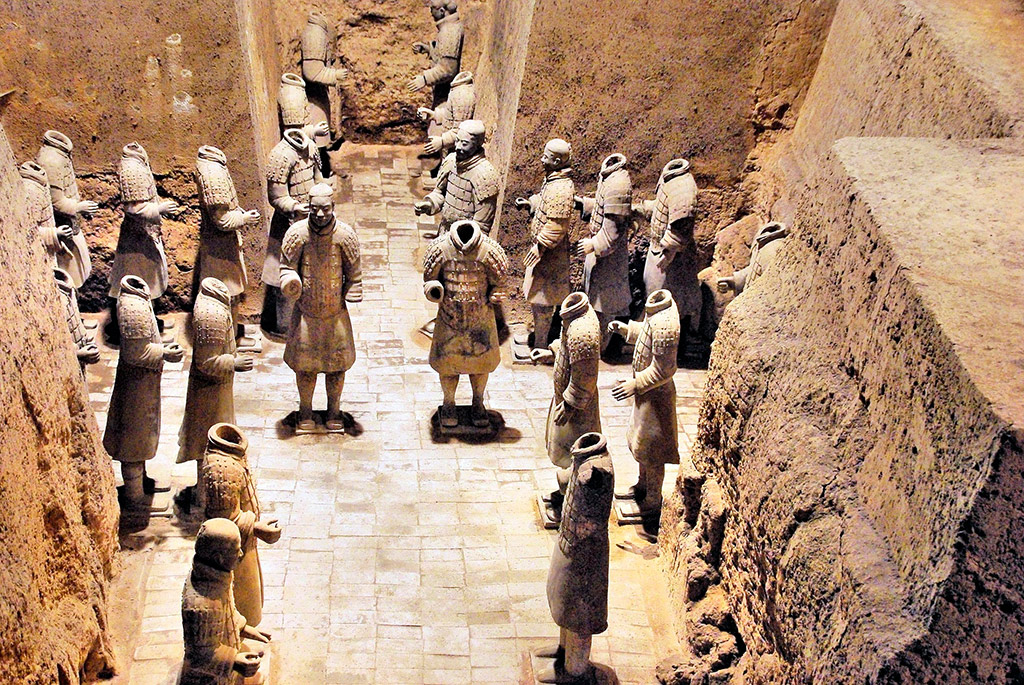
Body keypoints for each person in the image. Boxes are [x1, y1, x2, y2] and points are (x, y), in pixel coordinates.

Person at [280, 183, 362, 433]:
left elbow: (354, 270)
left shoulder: (345, 236)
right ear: (308, 207)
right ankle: (305, 411)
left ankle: (334, 411)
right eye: (314, 208)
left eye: (325, 209)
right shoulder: (297, 234)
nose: (319, 214)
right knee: (305, 367)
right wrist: (290, 281)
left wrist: (354, 287)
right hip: (306, 314)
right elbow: (286, 267)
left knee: (336, 366)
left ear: (333, 206)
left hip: (335, 314)